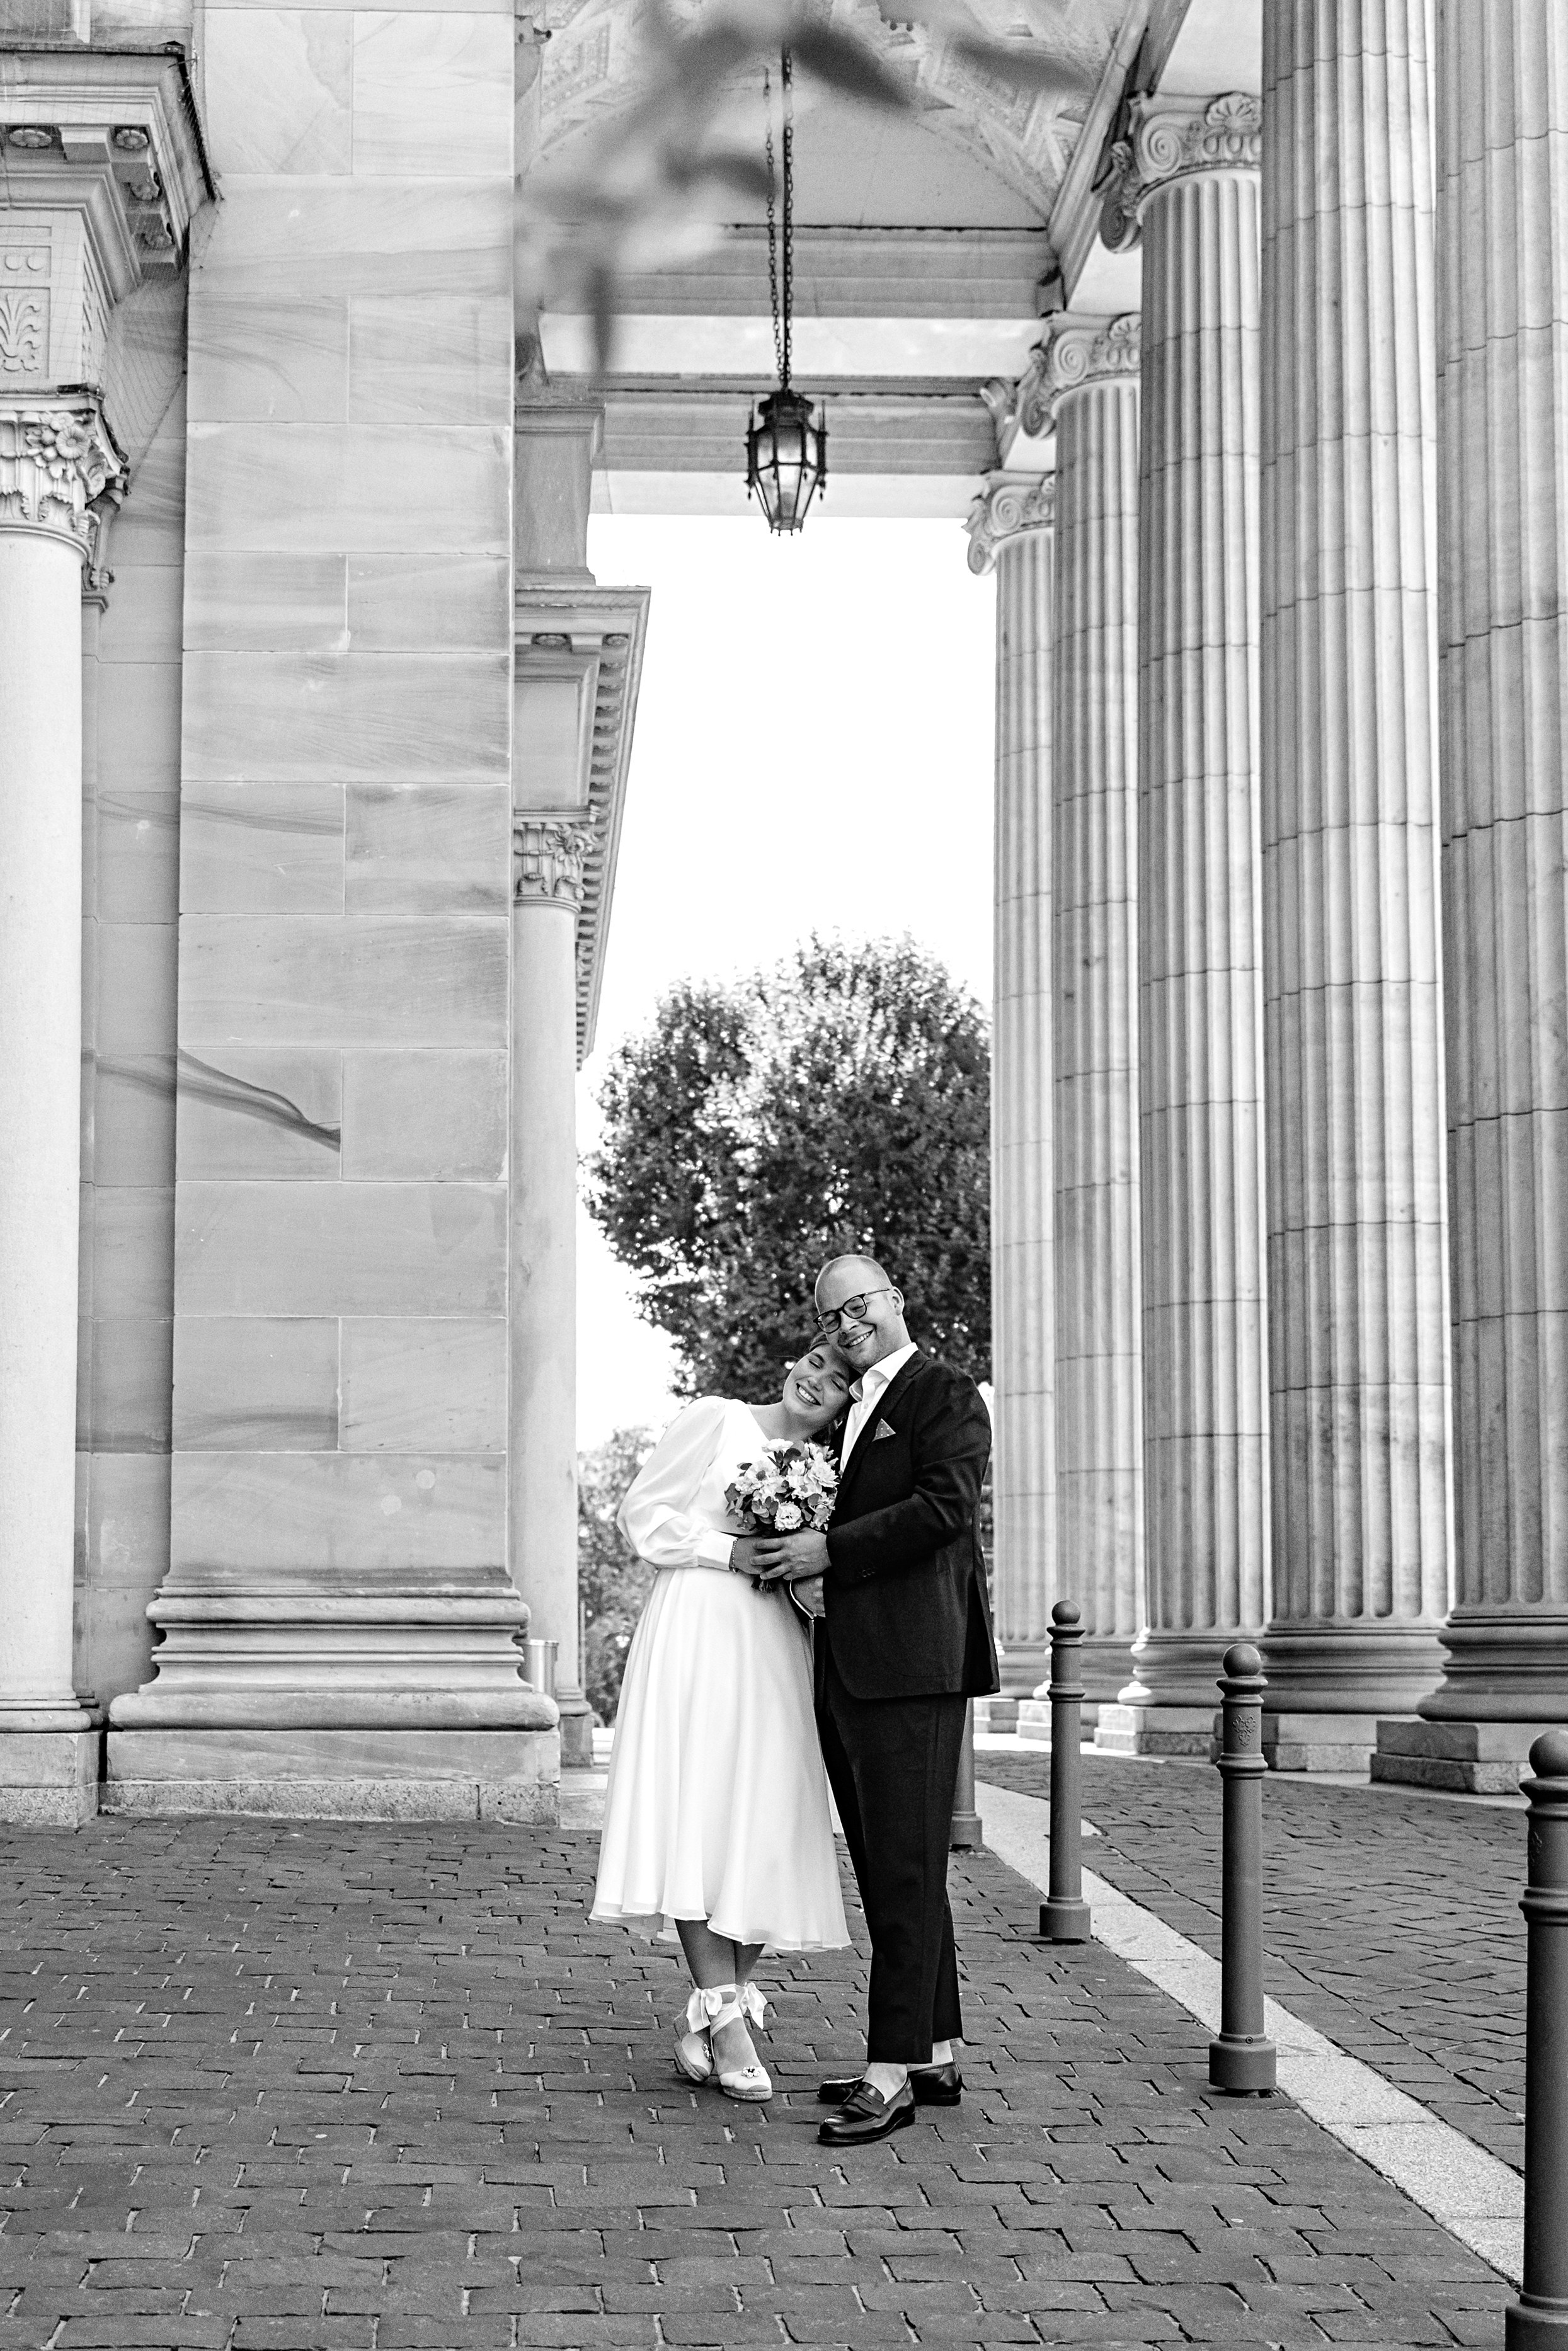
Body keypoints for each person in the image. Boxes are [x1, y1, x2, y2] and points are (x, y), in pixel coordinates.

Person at [753, 1252, 999, 2146]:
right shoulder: (847, 1411)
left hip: (914, 1668)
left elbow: (946, 1510)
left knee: (900, 1871)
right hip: (853, 1668)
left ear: (895, 1299)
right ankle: (932, 2051)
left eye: (859, 1303)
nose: (846, 1322)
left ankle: (889, 2073)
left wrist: (830, 1552)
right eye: (829, 1315)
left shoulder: (944, 1392)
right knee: (900, 1868)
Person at [591, 1344, 854, 2100]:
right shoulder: (717, 1418)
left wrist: (805, 1579)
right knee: (701, 1818)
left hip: (774, 1643)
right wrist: (727, 1551)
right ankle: (727, 2020)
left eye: (838, 1381)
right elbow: (641, 1515)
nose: (816, 1381)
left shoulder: (827, 1472)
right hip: (697, 1631)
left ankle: (717, 2008)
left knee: (765, 1821)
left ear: (845, 1405)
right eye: (812, 1361)